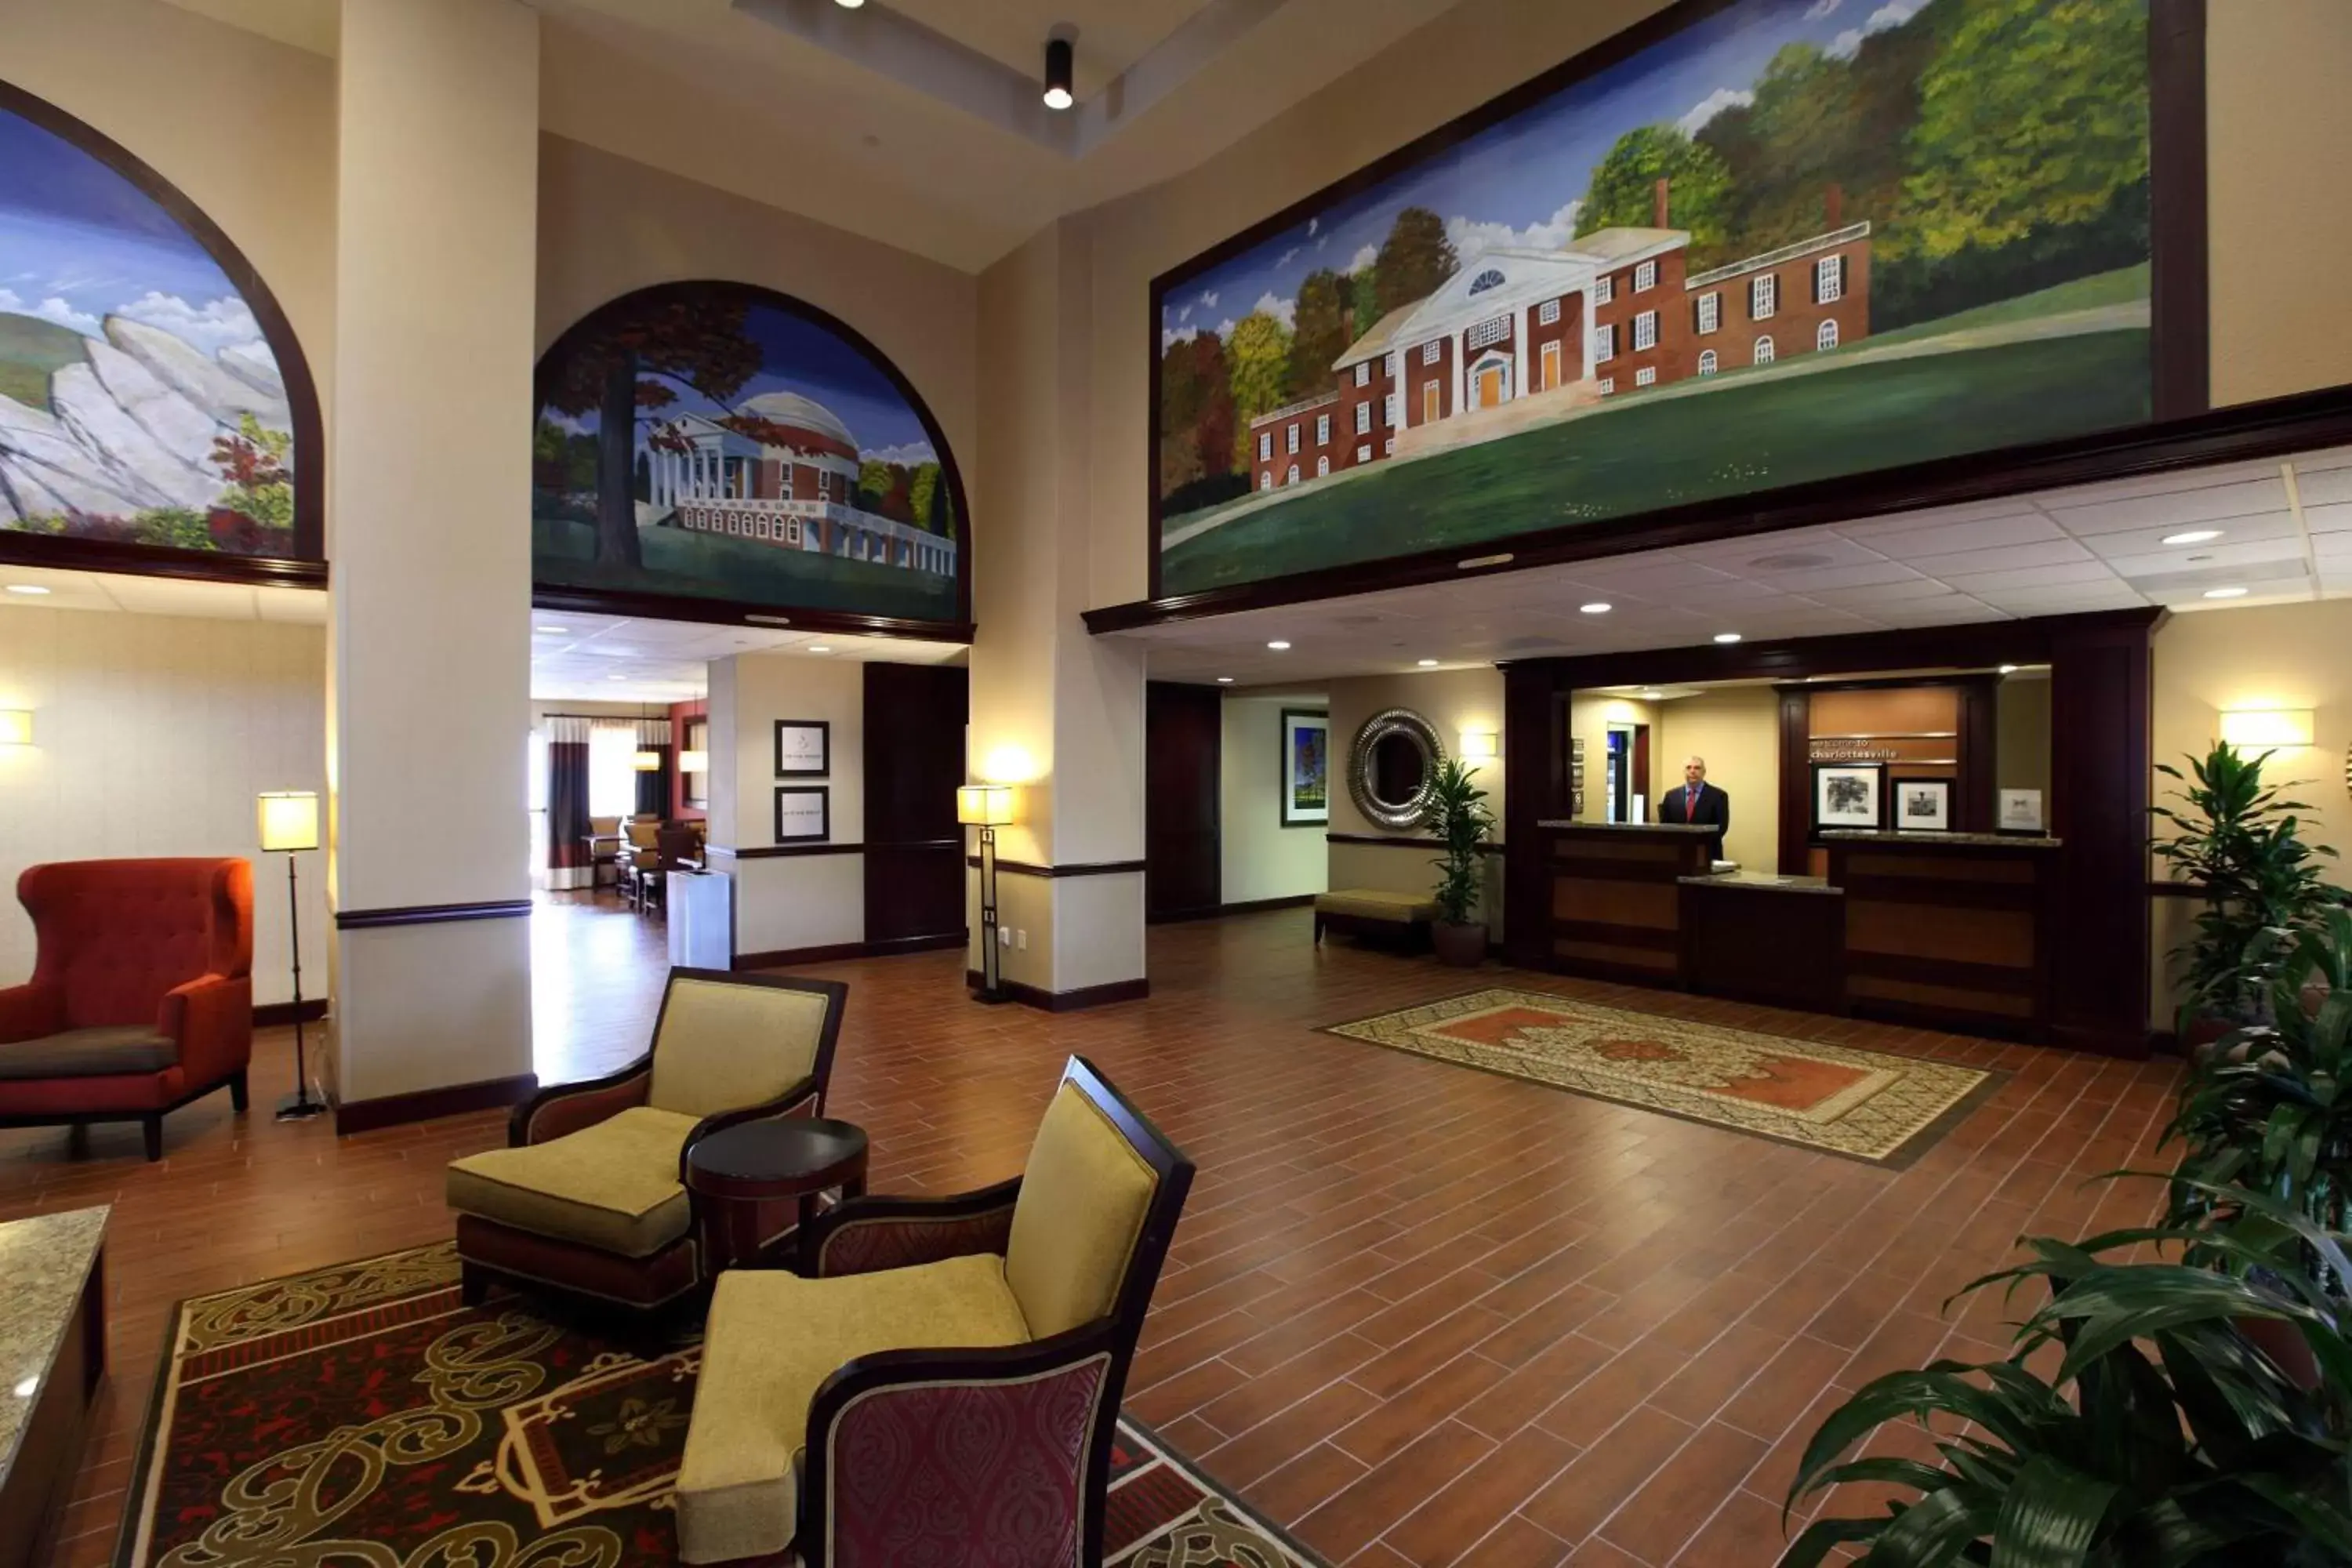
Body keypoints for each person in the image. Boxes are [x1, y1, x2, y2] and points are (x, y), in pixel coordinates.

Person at [1658, 754, 1730, 862]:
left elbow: (1721, 828)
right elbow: (1665, 826)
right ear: (1684, 772)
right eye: (1689, 768)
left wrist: (1695, 844)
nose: (1692, 771)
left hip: (1707, 855)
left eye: (1697, 768)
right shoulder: (1671, 796)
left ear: (1704, 772)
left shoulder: (1719, 796)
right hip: (1677, 855)